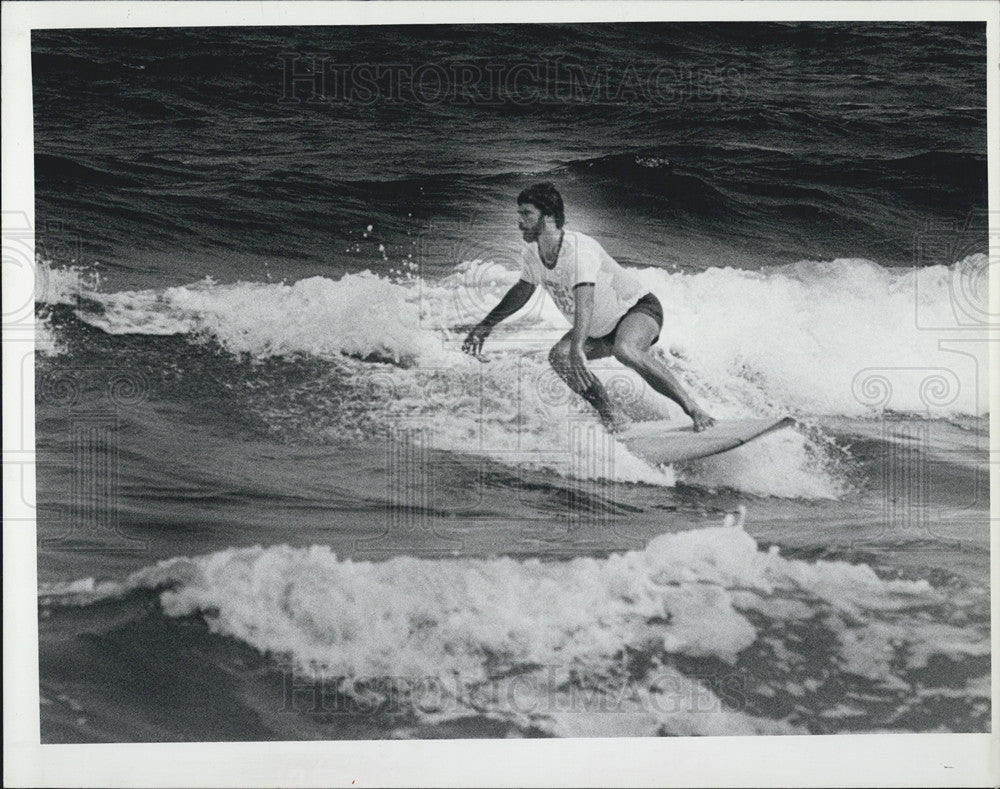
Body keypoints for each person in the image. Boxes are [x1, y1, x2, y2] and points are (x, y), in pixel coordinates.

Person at [462, 182, 715, 432]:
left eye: (526, 214)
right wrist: (486, 325)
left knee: (624, 350)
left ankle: (693, 408)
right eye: (519, 214)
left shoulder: (578, 250)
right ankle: (612, 417)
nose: (519, 221)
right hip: (598, 328)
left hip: (636, 310)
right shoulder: (532, 251)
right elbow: (522, 290)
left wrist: (578, 348)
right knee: (559, 358)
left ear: (548, 217)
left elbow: (586, 303)